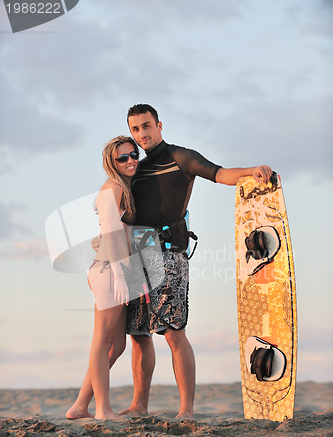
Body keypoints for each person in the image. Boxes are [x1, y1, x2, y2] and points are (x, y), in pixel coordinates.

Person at [95, 104, 272, 419]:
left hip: (169, 253)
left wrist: (250, 171)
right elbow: (120, 214)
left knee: (174, 331)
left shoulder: (181, 157)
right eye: (135, 129)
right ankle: (139, 405)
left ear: (159, 125)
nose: (142, 134)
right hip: (137, 254)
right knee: (139, 335)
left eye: (146, 126)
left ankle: (186, 410)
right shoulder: (136, 169)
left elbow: (219, 173)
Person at [66, 135, 139, 420]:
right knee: (102, 343)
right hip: (110, 271)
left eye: (134, 155)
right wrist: (120, 277)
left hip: (115, 268)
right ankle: (102, 409)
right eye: (123, 157)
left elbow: (114, 232)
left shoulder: (123, 188)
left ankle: (80, 405)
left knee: (117, 345)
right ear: (112, 162)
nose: (131, 160)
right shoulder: (112, 188)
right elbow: (110, 232)